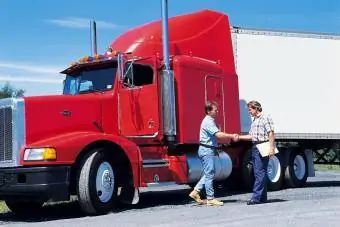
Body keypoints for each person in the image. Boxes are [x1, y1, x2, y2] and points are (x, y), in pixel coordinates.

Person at [189, 101, 238, 206]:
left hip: (207, 150)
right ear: (208, 111)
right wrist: (231, 136)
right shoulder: (208, 121)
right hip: (206, 151)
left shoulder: (210, 121)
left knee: (209, 173)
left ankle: (196, 191)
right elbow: (218, 135)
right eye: (215, 110)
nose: (217, 111)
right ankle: (210, 198)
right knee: (210, 173)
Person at [237, 100, 275, 205]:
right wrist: (239, 137)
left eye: (250, 109)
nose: (249, 112)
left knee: (260, 172)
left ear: (256, 108)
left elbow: (271, 133)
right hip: (255, 146)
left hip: (263, 145)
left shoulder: (265, 118)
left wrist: (271, 148)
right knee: (259, 172)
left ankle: (256, 197)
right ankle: (263, 197)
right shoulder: (254, 121)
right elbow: (251, 136)